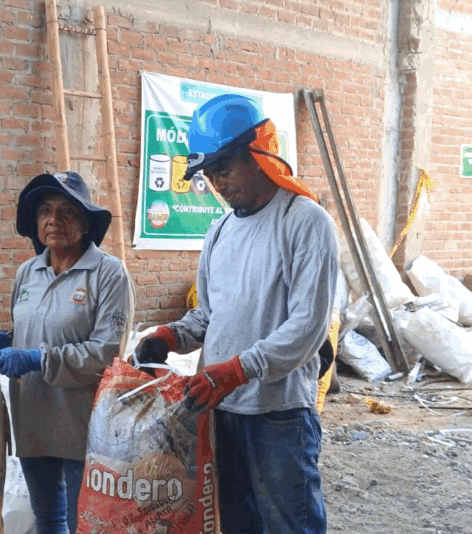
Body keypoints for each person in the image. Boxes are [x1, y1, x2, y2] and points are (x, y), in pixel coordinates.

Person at [135, 94, 338, 534]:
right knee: (236, 522)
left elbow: (307, 326)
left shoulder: (304, 222)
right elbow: (208, 315)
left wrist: (237, 370)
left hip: (279, 412)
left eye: (223, 169)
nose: (216, 184)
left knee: (290, 525)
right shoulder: (220, 231)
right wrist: (169, 336)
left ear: (257, 156)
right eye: (209, 174)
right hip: (221, 409)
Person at [0, 171, 135, 534]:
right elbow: (35, 329)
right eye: (45, 210)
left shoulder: (108, 274)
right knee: (48, 519)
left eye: (67, 211)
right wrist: (4, 340)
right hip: (35, 413)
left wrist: (37, 359)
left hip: (84, 421)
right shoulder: (28, 272)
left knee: (84, 522)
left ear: (86, 223)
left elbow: (106, 353)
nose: (54, 220)